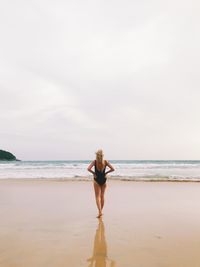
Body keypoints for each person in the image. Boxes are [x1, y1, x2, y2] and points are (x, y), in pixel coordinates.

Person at [87, 149, 115, 218]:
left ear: (96, 155)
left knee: (97, 197)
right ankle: (101, 211)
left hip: (96, 180)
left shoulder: (95, 162)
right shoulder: (105, 162)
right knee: (102, 196)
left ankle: (100, 212)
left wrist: (94, 173)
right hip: (104, 179)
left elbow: (88, 168)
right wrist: (106, 173)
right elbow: (112, 169)